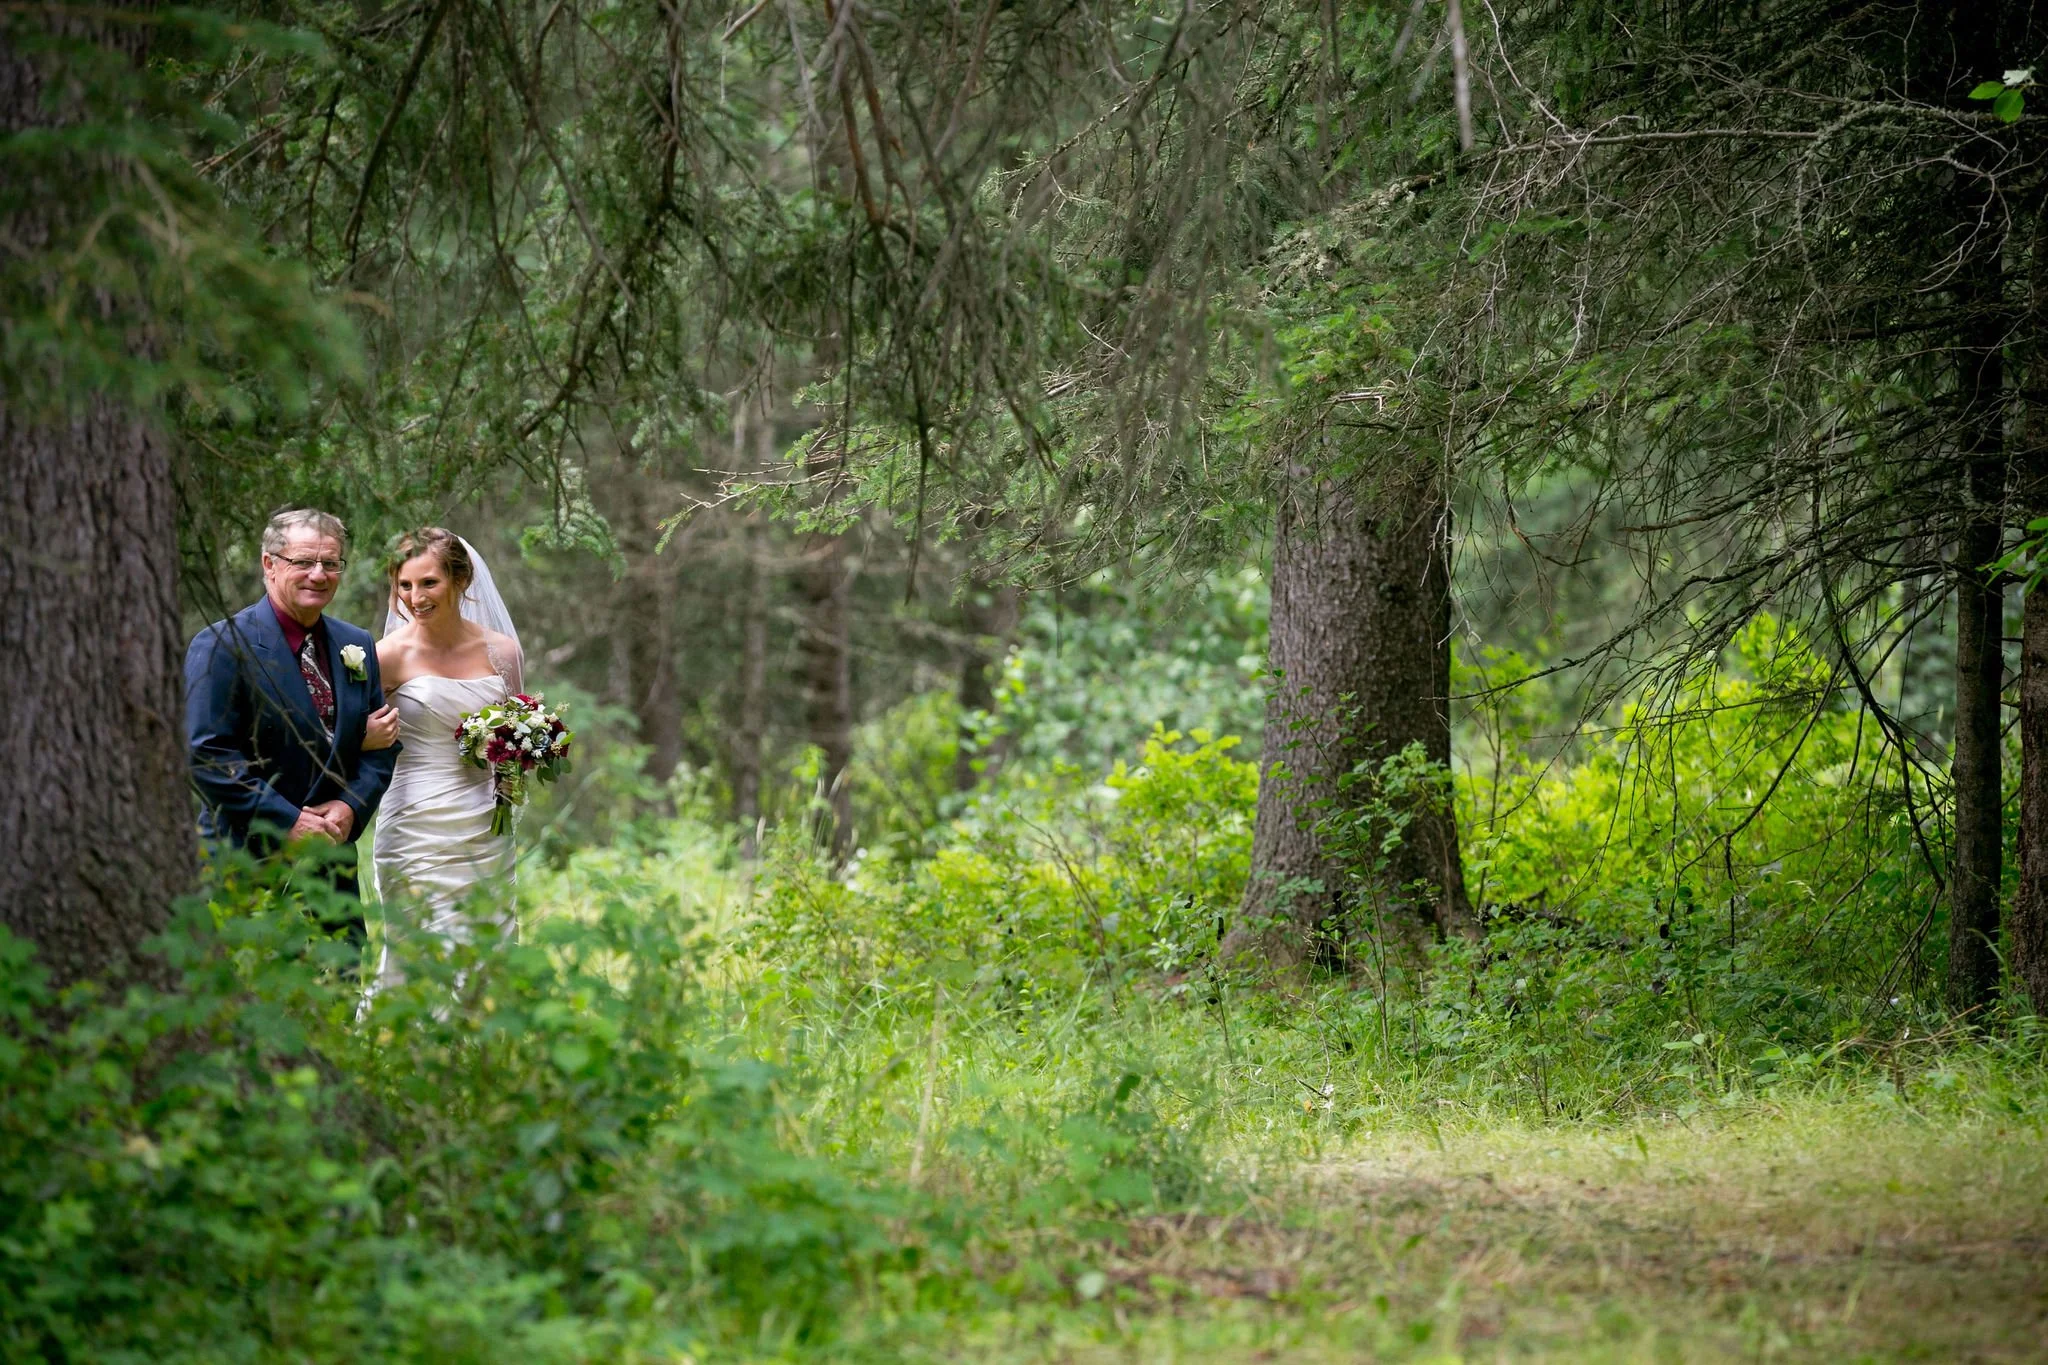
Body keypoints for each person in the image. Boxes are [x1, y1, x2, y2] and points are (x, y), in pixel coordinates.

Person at [185, 509, 403, 950]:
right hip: (248, 864)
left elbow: (382, 743)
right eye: (303, 562)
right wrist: (288, 821)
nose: (319, 575)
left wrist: (350, 807)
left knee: (336, 1000)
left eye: (331, 563)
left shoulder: (355, 644)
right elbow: (207, 755)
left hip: (331, 870)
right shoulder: (222, 645)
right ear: (270, 564)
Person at [371, 528, 525, 986]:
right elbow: (348, 739)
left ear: (461, 580)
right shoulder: (387, 657)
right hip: (413, 823)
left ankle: (481, 1052)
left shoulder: (502, 652)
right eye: (405, 585)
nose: (415, 597)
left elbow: (518, 733)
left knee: (484, 947)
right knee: (416, 949)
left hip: (484, 825)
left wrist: (515, 771)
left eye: (428, 583)